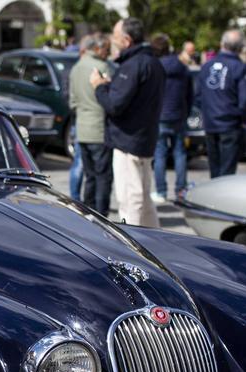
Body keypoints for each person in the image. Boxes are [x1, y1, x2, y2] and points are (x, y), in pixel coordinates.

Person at [89, 17, 164, 228]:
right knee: (144, 199)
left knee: (130, 201)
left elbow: (114, 105)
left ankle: (131, 251)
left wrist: (99, 86)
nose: (112, 41)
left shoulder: (133, 65)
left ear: (126, 40)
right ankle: (156, 243)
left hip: (128, 141)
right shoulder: (152, 63)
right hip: (144, 139)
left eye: (115, 36)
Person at [196, 28, 246, 179]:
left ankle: (213, 200)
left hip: (211, 124)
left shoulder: (207, 66)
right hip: (230, 125)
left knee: (215, 171)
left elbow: (198, 96)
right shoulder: (240, 68)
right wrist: (245, 119)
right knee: (227, 173)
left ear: (222, 44)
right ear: (240, 47)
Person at [67, 32, 113, 212]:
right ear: (98, 48)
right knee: (103, 177)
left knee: (90, 175)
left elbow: (72, 101)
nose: (108, 53)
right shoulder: (103, 67)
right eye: (107, 49)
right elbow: (110, 100)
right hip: (99, 129)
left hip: (82, 128)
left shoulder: (77, 67)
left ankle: (89, 212)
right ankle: (102, 214)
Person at [153, 33, 190, 203]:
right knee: (179, 153)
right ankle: (181, 190)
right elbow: (190, 93)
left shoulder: (156, 67)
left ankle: (161, 191)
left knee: (160, 154)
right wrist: (186, 112)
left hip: (160, 115)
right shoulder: (182, 67)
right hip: (178, 115)